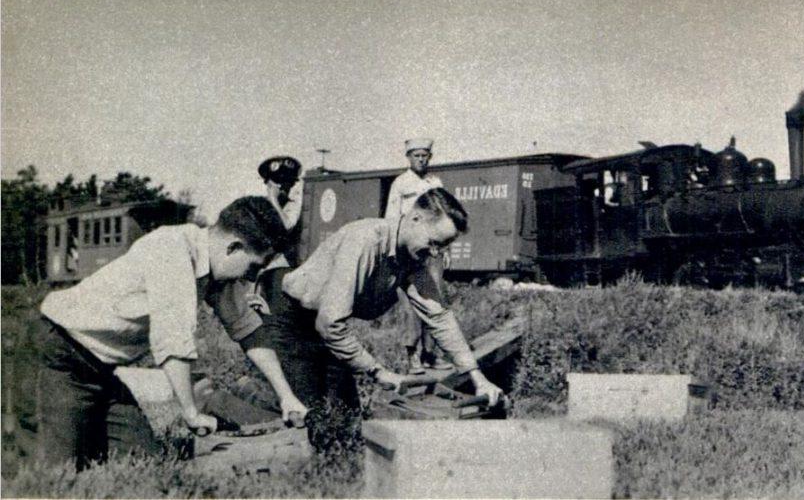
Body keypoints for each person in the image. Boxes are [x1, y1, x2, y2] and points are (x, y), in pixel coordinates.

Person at [35, 196, 308, 470]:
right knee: (59, 472)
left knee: (142, 463)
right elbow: (173, 341)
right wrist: (191, 412)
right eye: (253, 267)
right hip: (56, 355)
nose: (252, 277)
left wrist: (287, 397)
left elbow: (248, 331)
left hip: (101, 371)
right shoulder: (172, 250)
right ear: (234, 247)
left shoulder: (216, 267)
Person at [257, 188, 504, 422]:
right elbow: (330, 323)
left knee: (347, 417)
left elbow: (438, 317)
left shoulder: (413, 257)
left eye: (442, 247)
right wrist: (378, 371)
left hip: (322, 322)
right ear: (415, 218)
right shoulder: (367, 240)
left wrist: (477, 377)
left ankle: (342, 464)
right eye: (434, 243)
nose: (436, 253)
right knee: (309, 413)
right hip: (289, 315)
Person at [385, 138, 449, 374]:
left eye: (425, 155)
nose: (421, 159)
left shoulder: (435, 182)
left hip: (432, 251)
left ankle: (430, 354)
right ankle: (412, 357)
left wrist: (445, 248)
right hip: (409, 252)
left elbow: (442, 217)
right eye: (417, 155)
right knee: (411, 305)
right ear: (409, 157)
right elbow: (391, 219)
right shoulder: (401, 184)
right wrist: (392, 251)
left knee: (435, 302)